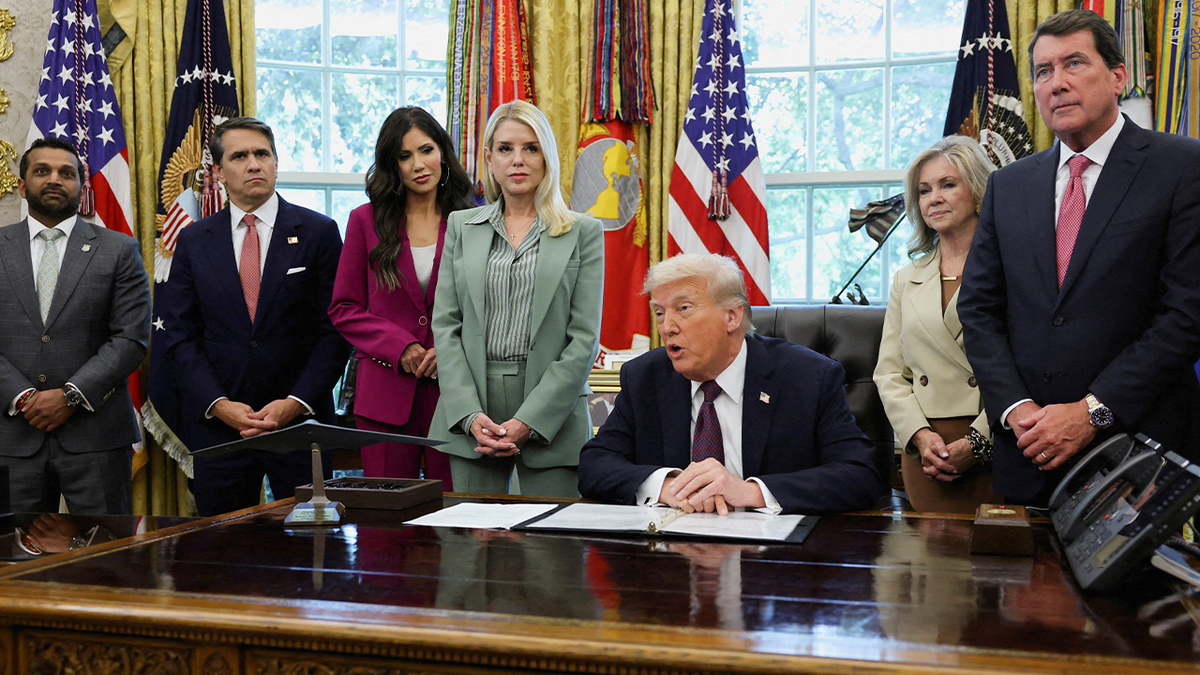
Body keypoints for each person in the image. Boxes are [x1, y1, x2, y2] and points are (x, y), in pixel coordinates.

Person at [958, 10, 1200, 505]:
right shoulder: (1009, 184)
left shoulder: (1182, 166)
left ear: (1117, 76)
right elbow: (978, 309)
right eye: (1043, 71)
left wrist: (1092, 412)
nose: (1057, 83)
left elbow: (1186, 314)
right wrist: (1015, 409)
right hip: (1026, 451)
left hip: (1137, 452)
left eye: (1074, 64)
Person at [578, 253, 884, 515]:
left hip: (775, 566)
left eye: (683, 309)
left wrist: (750, 492)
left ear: (732, 316)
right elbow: (595, 464)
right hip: (673, 558)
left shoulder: (807, 377)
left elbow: (860, 475)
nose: (667, 327)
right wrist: (665, 486)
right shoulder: (645, 376)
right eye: (659, 312)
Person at [160, 117, 349, 516]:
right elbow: (179, 336)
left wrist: (295, 402)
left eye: (262, 154)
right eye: (240, 156)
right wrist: (219, 403)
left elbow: (334, 331)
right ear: (218, 172)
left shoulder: (319, 232)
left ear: (276, 163)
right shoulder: (195, 240)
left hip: (301, 428)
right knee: (226, 556)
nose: (253, 164)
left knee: (310, 557)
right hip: (221, 431)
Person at [430, 99, 604, 497]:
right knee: (471, 550)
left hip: (552, 413)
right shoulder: (460, 226)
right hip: (473, 408)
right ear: (489, 158)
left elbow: (583, 339)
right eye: (506, 149)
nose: (518, 160)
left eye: (531, 148)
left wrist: (530, 420)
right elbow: (447, 325)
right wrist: (470, 414)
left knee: (553, 551)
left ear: (547, 157)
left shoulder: (583, 232)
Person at [0, 138, 150, 514]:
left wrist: (69, 395)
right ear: (22, 185)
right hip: (11, 437)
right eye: (41, 171)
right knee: (12, 565)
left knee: (107, 563)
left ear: (82, 187)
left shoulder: (119, 249)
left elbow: (130, 338)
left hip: (97, 437)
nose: (54, 179)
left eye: (66, 173)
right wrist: (24, 397)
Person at [329, 108, 474, 485]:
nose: (418, 165)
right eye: (404, 156)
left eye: (426, 150)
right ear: (392, 164)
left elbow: (489, 306)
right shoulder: (365, 220)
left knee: (456, 520)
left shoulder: (474, 218)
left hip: (457, 393)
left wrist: (452, 349)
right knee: (385, 527)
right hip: (384, 394)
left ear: (442, 151)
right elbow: (344, 308)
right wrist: (401, 346)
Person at [874, 136, 1000, 513]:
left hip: (995, 444)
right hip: (926, 454)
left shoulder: (1013, 270)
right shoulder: (905, 279)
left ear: (977, 190)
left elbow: (1031, 369)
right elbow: (889, 373)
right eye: (924, 190)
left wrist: (979, 443)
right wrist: (919, 436)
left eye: (948, 184)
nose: (934, 198)